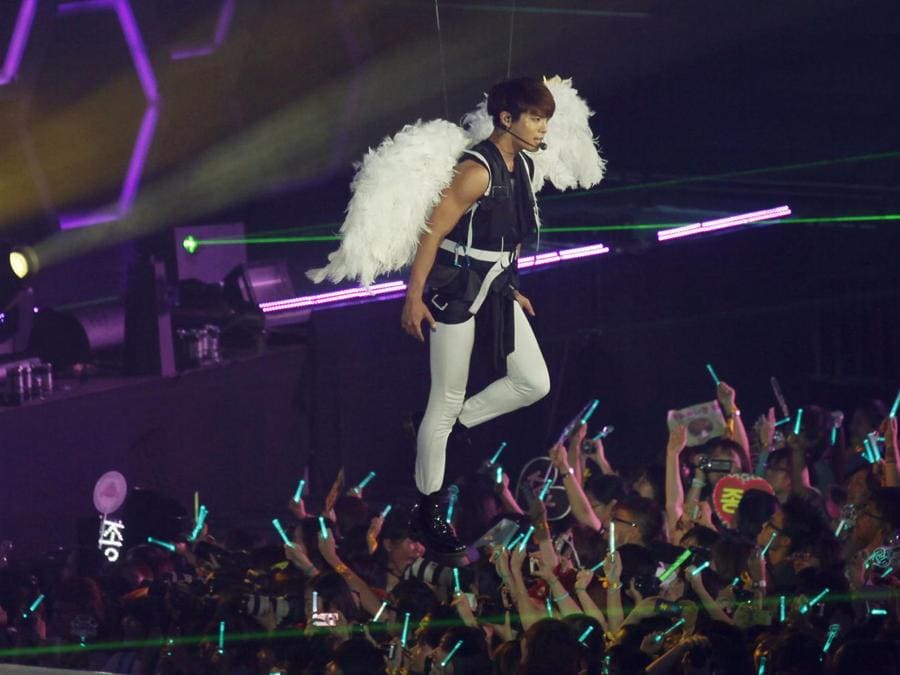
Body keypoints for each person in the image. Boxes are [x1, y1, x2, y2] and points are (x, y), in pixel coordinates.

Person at [400, 78, 557, 556]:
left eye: (545, 118)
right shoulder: (476, 170)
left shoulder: (522, 164)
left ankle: (451, 427)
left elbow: (506, 236)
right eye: (534, 116)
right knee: (444, 398)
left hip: (497, 287)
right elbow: (432, 231)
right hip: (456, 287)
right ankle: (427, 509)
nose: (542, 126)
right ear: (506, 118)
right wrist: (414, 295)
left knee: (534, 382)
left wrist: (510, 287)